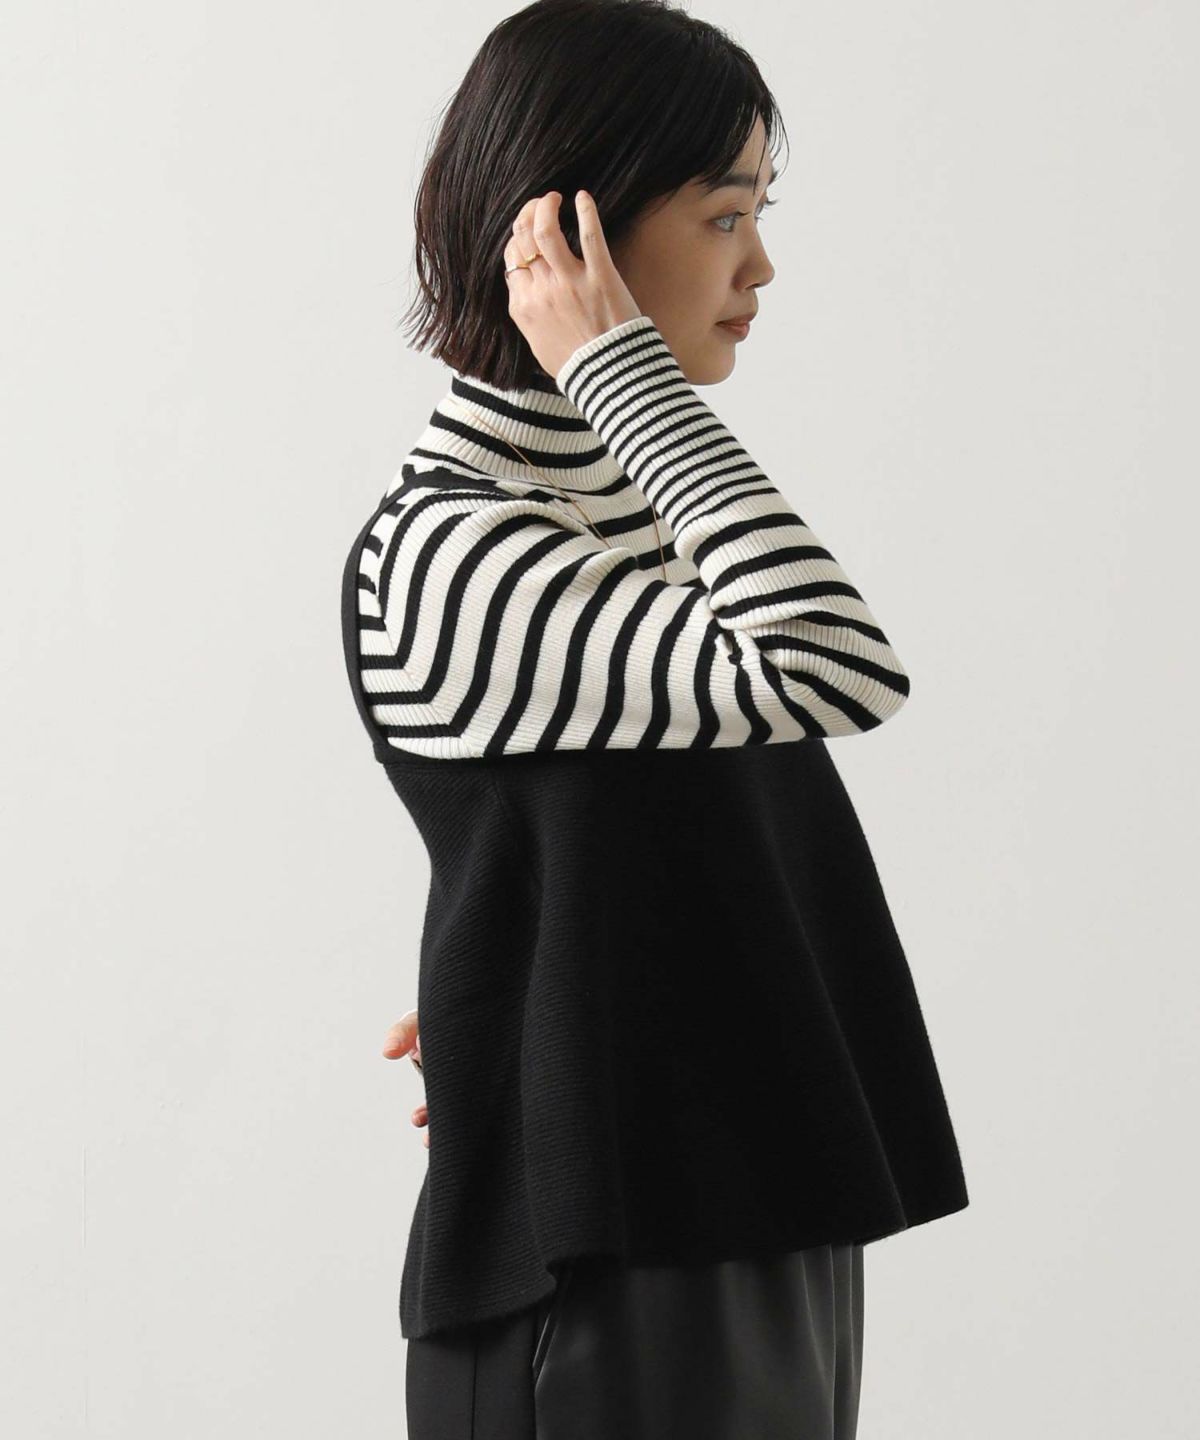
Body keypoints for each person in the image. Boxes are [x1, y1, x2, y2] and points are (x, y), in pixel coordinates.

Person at [340, 2, 969, 1435]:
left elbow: (611, 828)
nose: (761, 267)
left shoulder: (614, 512)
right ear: (569, 233)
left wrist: (543, 971)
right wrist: (620, 375)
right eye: (725, 216)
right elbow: (834, 665)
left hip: (730, 1201)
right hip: (614, 1258)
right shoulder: (462, 543)